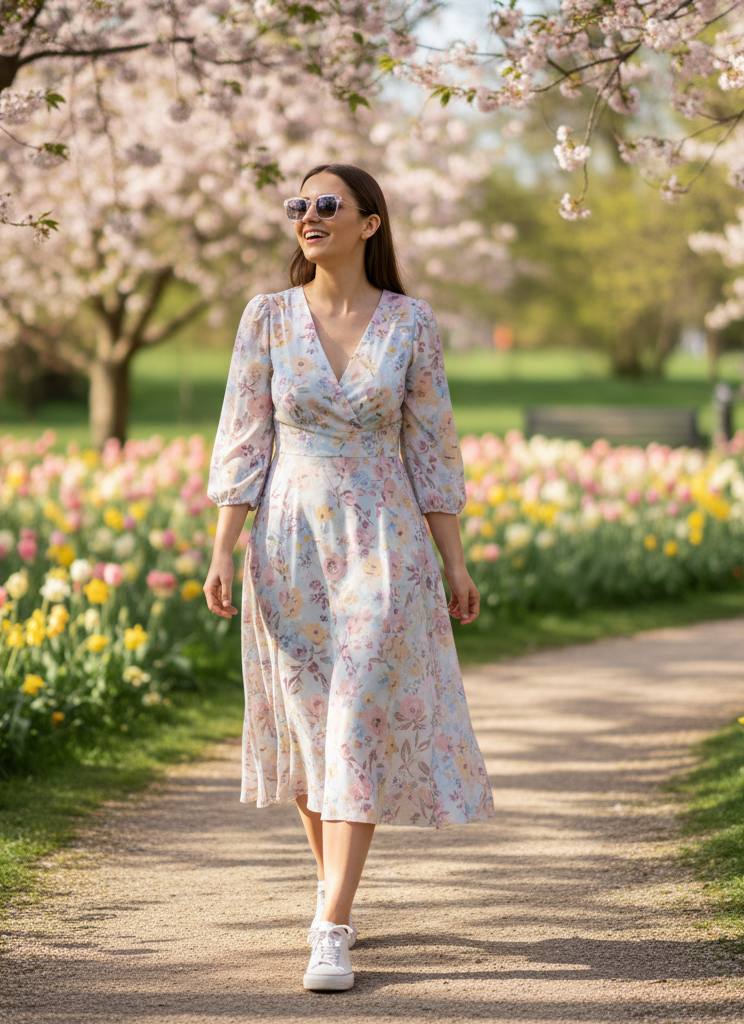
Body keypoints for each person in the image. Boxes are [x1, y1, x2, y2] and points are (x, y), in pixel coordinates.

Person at [203, 163, 494, 993]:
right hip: (288, 542)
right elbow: (243, 437)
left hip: (384, 543)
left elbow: (432, 447)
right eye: (299, 205)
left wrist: (455, 559)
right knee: (309, 728)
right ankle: (333, 891)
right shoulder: (266, 318)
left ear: (370, 223)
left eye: (327, 205)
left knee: (356, 719)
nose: (309, 216)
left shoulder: (410, 323)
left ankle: (330, 923)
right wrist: (223, 547)